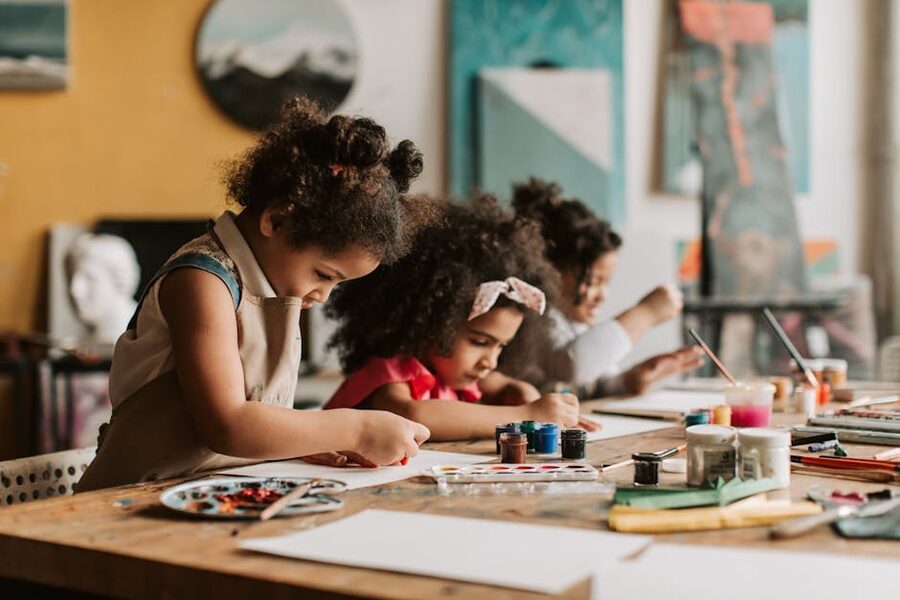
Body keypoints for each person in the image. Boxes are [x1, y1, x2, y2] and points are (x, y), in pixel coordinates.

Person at [77, 98, 431, 491]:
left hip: (201, 497)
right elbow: (227, 425)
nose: (323, 296)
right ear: (276, 219)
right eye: (323, 275)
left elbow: (255, 419)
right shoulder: (202, 281)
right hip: (123, 506)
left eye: (337, 284)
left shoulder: (269, 290)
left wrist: (300, 445)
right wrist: (356, 427)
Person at [322, 194, 598, 441]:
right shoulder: (389, 372)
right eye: (479, 341)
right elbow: (412, 414)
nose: (490, 362)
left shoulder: (449, 371)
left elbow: (504, 386)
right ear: (430, 322)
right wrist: (526, 414)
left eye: (501, 345)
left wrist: (524, 394)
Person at [509, 178, 703, 398]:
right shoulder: (532, 315)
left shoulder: (572, 323)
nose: (603, 296)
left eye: (605, 283)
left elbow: (587, 385)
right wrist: (646, 313)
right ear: (549, 270)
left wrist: (629, 381)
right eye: (592, 282)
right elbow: (573, 366)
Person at [66, 233, 140, 346]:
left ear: (119, 281)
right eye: (70, 277)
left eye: (89, 279)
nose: (75, 291)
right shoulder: (87, 343)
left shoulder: (144, 331)